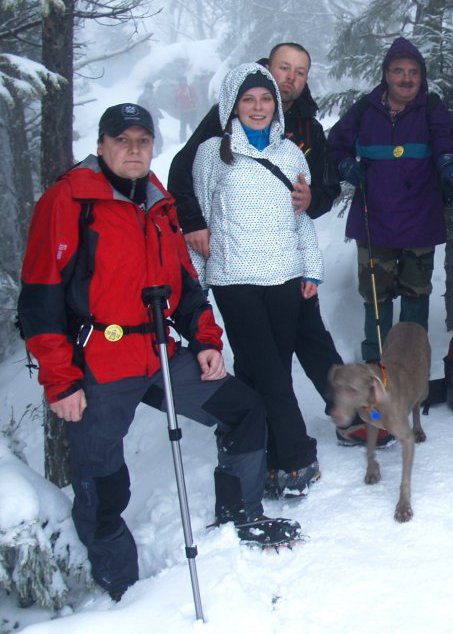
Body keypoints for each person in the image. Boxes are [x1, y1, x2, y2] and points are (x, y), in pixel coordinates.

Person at [17, 103, 300, 600]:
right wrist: (60, 380)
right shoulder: (69, 201)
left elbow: (185, 285)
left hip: (158, 352)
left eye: (142, 141)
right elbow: (40, 300)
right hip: (98, 363)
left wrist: (207, 341)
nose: (132, 149)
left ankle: (241, 518)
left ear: (153, 146)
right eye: (121, 140)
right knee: (102, 481)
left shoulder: (157, 200)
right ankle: (120, 588)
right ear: (101, 144)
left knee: (242, 409)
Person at [166, 44, 361, 446]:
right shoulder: (234, 110)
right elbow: (185, 170)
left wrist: (312, 201)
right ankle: (258, 433)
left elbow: (323, 190)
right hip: (238, 262)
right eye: (284, 68)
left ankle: (348, 414)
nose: (291, 77)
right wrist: (193, 223)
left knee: (313, 339)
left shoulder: (307, 127)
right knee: (258, 355)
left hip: (286, 260)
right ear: (268, 69)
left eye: (300, 72)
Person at [190, 64, 323, 499]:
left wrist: (311, 269)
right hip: (235, 278)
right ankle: (296, 455)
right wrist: (197, 286)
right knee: (269, 371)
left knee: (263, 370)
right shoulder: (212, 153)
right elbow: (203, 224)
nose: (259, 107)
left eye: (265, 99)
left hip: (285, 275)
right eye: (248, 100)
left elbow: (301, 220)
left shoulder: (290, 154)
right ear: (232, 105)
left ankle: (255, 453)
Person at [327, 37, 453, 362]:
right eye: (398, 71)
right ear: (386, 75)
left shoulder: (430, 108)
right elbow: (336, 142)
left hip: (420, 216)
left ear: (422, 76)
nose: (406, 79)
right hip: (373, 217)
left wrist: (448, 161)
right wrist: (345, 164)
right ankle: (376, 365)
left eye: (413, 72)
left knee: (416, 294)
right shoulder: (366, 108)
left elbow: (446, 140)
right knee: (376, 296)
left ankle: (410, 364)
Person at [136, 81, 163, 154]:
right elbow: (153, 108)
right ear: (151, 88)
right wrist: (159, 114)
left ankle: (146, 152)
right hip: (152, 120)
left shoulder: (141, 97)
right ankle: (158, 150)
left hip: (142, 120)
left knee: (146, 136)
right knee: (156, 135)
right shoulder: (151, 97)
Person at [175, 76, 198, 142]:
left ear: (186, 81)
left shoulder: (189, 89)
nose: (182, 82)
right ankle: (182, 141)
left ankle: (198, 138)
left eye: (183, 81)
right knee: (183, 127)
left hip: (191, 111)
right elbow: (176, 100)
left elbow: (196, 97)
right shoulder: (178, 90)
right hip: (183, 111)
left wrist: (192, 102)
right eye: (180, 81)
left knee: (192, 125)